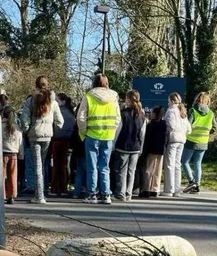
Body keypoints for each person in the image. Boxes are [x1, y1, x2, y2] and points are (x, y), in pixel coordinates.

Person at [77, 73, 121, 204]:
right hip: (108, 135)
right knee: (104, 166)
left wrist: (84, 132)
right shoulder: (114, 97)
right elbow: (118, 118)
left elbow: (81, 117)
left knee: (92, 166)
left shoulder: (89, 96)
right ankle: (106, 194)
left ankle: (92, 193)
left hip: (92, 134)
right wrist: (112, 130)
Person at [20, 76, 63, 204]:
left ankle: (39, 196)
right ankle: (42, 192)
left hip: (35, 135)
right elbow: (60, 121)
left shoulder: (31, 100)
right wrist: (53, 129)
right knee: (43, 164)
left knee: (37, 165)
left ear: (36, 85)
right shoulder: (53, 102)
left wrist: (27, 130)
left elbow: (24, 118)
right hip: (47, 136)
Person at [112, 90, 147, 201]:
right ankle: (129, 193)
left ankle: (121, 193)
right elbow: (142, 133)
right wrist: (141, 148)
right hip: (135, 147)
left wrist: (113, 144)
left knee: (121, 170)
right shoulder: (142, 115)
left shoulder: (123, 114)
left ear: (128, 99)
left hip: (123, 145)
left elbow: (118, 130)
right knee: (131, 171)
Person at [182, 91, 217, 193]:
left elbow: (188, 124)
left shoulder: (193, 110)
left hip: (191, 140)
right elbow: (214, 127)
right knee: (198, 163)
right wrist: (206, 133)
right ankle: (197, 185)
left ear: (197, 99)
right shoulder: (211, 113)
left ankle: (191, 181)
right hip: (203, 141)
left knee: (184, 162)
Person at [162, 93, 190, 197]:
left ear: (172, 101)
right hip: (182, 139)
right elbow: (189, 129)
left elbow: (171, 125)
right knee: (177, 164)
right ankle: (177, 189)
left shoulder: (171, 111)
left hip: (173, 139)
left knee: (169, 164)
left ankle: (169, 189)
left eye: (168, 101)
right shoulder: (183, 111)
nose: (168, 103)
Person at [50, 93, 76, 196]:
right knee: (65, 165)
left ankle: (55, 188)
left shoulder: (58, 111)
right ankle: (64, 188)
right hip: (67, 141)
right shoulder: (71, 112)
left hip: (57, 140)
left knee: (56, 165)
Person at [140, 106, 166, 197]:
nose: (150, 114)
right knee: (158, 170)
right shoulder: (164, 124)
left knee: (148, 169)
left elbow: (147, 139)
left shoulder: (150, 125)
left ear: (154, 114)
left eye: (151, 113)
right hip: (160, 149)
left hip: (151, 149)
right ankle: (155, 189)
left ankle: (146, 189)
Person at [1, 105, 22, 205]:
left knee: (1, 176)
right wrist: (21, 154)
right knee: (12, 176)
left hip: (2, 153)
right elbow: (20, 142)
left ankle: (1, 194)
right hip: (13, 154)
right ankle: (11, 195)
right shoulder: (16, 127)